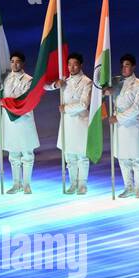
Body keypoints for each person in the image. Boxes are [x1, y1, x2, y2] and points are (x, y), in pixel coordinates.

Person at [47, 52, 92, 194]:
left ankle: (82, 184)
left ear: (81, 65)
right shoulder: (64, 80)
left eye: (75, 64)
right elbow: (43, 87)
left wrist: (66, 108)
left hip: (80, 123)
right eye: (69, 64)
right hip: (67, 124)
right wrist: (55, 84)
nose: (72, 67)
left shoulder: (87, 82)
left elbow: (84, 104)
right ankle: (73, 184)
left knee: (82, 156)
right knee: (69, 157)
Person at [110, 53, 139, 198]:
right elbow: (101, 92)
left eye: (127, 65)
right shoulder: (115, 81)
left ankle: (138, 188)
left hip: (133, 125)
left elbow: (136, 108)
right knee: (123, 158)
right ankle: (128, 187)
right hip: (120, 127)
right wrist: (106, 91)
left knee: (137, 158)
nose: (124, 68)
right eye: (122, 65)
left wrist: (118, 117)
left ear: (133, 66)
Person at [2, 51, 39, 194]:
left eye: (17, 61)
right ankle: (16, 184)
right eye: (12, 61)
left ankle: (27, 184)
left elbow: (22, 100)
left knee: (27, 153)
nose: (14, 64)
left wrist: (5, 102)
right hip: (10, 121)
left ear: (22, 63)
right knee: (13, 154)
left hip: (23, 119)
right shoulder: (6, 78)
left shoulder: (28, 80)